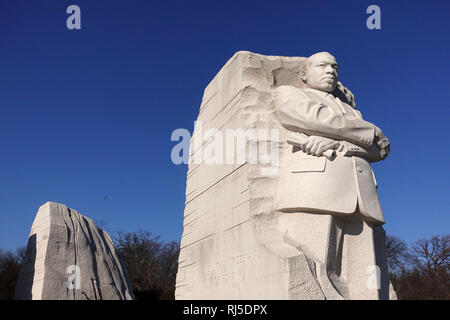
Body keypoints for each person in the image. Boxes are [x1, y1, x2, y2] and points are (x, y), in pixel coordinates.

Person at [271, 52, 394, 299]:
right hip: (316, 190)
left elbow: (380, 149)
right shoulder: (290, 93)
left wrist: (341, 144)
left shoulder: (352, 111)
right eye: (323, 66)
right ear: (304, 74)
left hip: (362, 195)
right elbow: (315, 118)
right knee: (316, 269)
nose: (330, 71)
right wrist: (369, 130)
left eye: (335, 67)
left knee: (367, 278)